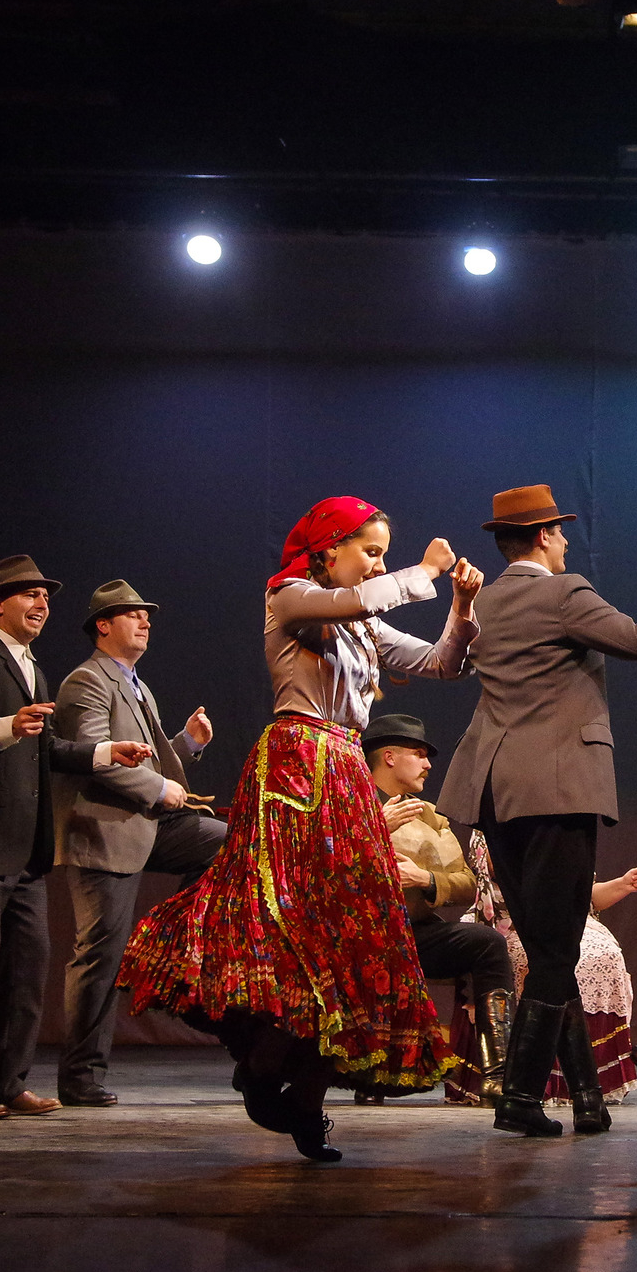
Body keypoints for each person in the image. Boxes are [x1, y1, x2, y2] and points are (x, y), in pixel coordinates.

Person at [119, 497, 481, 1161]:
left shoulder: (362, 625)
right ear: (329, 548)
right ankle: (263, 1062)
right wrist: (423, 572)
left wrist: (459, 606)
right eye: (370, 551)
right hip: (296, 766)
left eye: (383, 553)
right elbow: (355, 600)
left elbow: (443, 663)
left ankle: (307, 1097)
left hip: (345, 772)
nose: (379, 564)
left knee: (354, 937)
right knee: (295, 923)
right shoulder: (289, 597)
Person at [437, 484, 637, 1139]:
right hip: (557, 787)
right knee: (557, 946)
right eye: (561, 532)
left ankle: (588, 1098)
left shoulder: (486, 600)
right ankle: (519, 1095)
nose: (566, 542)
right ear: (543, 536)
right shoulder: (562, 593)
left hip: (494, 788)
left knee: (548, 947)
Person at [0, 556, 153, 1122]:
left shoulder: (33, 668)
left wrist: (106, 751)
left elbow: (46, 748)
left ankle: (9, 1082)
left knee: (27, 972)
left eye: (45, 596)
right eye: (28, 594)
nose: (41, 604)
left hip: (25, 848)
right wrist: (7, 726)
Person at [50, 580, 228, 1109]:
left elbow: (145, 758)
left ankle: (175, 936)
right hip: (105, 830)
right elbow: (96, 753)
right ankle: (80, 1075)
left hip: (148, 823)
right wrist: (157, 787)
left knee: (227, 843)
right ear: (103, 626)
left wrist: (186, 745)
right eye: (133, 614)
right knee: (100, 953)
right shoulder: (88, 680)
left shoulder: (137, 685)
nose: (145, 621)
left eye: (147, 615)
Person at [356, 712, 514, 1108]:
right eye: (419, 754)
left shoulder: (429, 816)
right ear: (389, 757)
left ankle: (499, 1077)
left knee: (487, 943)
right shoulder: (348, 806)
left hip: (413, 934)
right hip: (355, 938)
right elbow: (318, 865)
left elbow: (466, 883)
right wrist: (374, 826)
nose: (427, 765)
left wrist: (425, 879)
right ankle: (367, 1071)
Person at [443, 839, 637, 1109]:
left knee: (602, 953)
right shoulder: (496, 829)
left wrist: (622, 884)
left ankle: (585, 1085)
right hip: (509, 921)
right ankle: (528, 1083)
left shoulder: (559, 833)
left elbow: (585, 897)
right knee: (542, 962)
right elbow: (499, 874)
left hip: (563, 921)